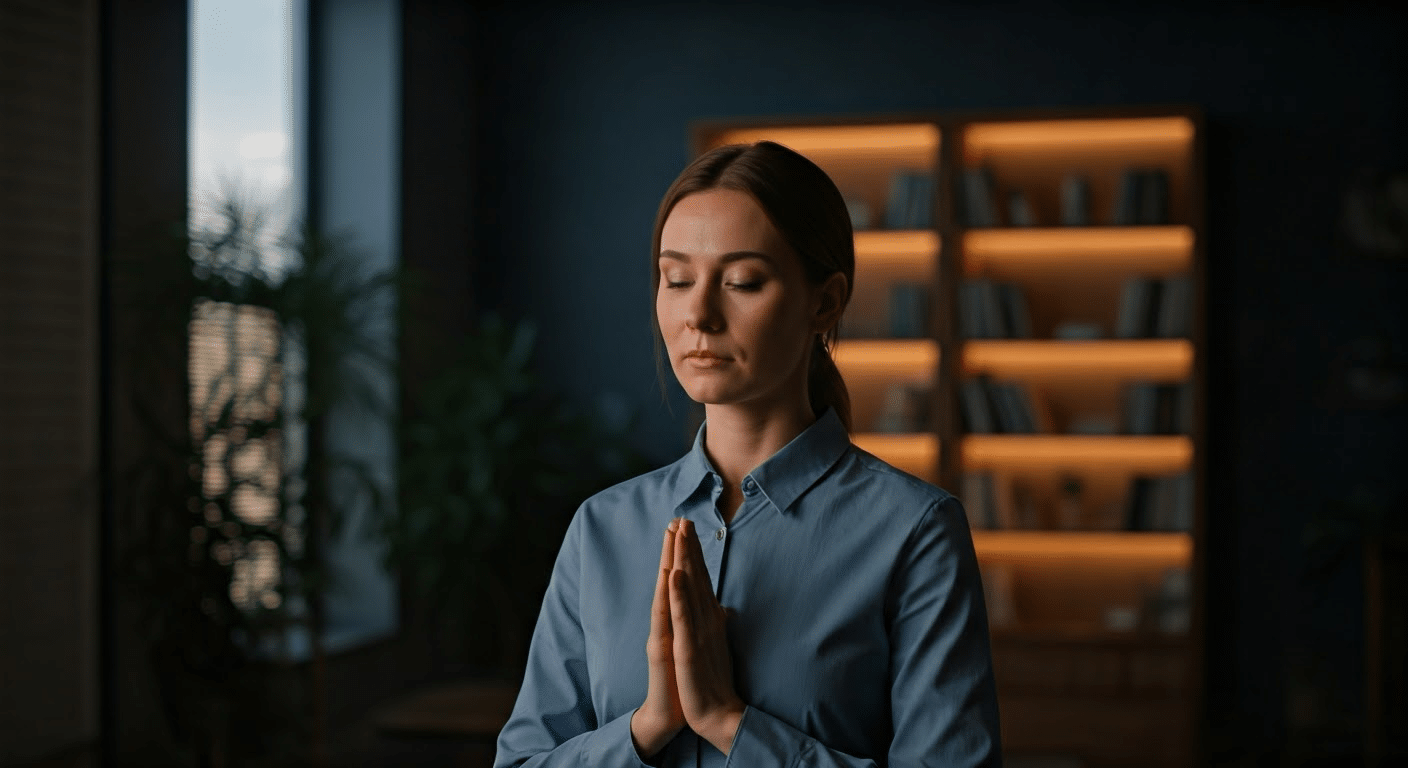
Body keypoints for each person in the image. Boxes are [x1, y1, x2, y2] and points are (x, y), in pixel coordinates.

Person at [495, 140, 1001, 767]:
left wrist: (730, 724)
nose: (699, 315)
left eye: (742, 282)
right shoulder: (602, 528)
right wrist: (647, 728)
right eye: (676, 279)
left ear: (825, 301)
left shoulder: (915, 531)